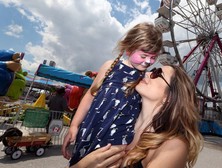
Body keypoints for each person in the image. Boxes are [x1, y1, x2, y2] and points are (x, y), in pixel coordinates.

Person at [62, 22, 163, 167]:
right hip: (90, 130)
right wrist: (74, 125)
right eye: (144, 55)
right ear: (128, 50)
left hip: (116, 141)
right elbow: (90, 96)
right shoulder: (110, 66)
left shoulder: (147, 80)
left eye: (153, 57)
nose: (148, 61)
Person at [69, 65, 203, 168]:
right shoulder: (120, 124)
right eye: (152, 70)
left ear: (169, 97)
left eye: (157, 73)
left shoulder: (174, 146)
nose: (148, 73)